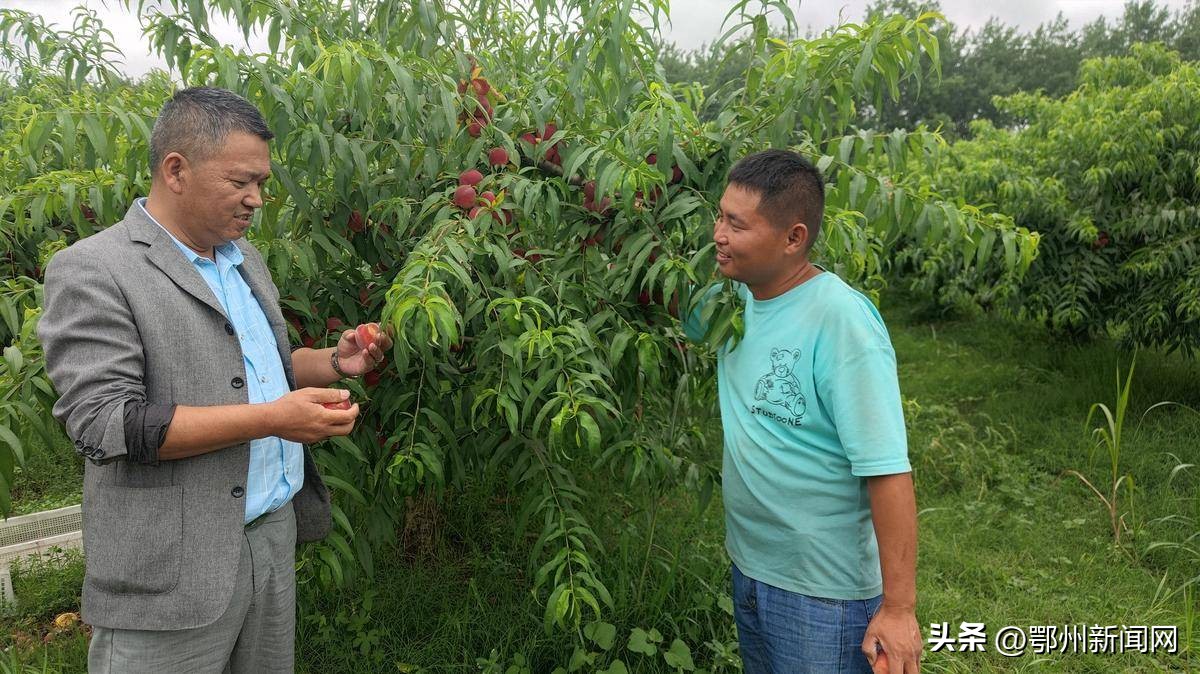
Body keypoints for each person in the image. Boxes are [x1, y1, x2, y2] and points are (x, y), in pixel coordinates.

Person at [37, 86, 391, 673]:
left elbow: (258, 369)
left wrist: (333, 360)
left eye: (262, 184)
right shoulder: (96, 269)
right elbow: (106, 424)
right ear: (176, 170)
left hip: (267, 539)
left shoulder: (243, 258)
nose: (255, 199)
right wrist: (275, 420)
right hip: (172, 566)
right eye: (240, 182)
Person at [682, 149, 922, 673]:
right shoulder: (732, 302)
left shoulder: (841, 320)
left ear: (794, 238)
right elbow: (655, 298)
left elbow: (886, 468)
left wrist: (899, 609)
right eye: (720, 216)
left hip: (823, 596)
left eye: (736, 225)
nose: (718, 234)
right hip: (750, 569)